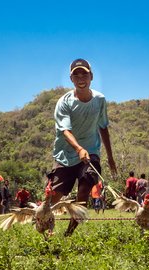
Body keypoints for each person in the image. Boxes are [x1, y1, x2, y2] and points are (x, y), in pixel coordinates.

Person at [47, 58, 117, 237]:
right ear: (71, 79)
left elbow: (103, 127)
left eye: (84, 73)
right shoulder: (64, 102)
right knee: (55, 195)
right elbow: (65, 131)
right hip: (65, 154)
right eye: (76, 74)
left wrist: (110, 158)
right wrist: (78, 149)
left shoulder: (99, 100)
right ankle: (46, 227)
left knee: (84, 190)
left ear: (91, 76)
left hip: (91, 152)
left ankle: (68, 234)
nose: (80, 77)